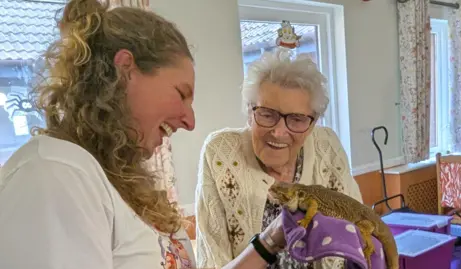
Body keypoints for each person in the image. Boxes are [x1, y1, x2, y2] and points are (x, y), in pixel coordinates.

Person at [0, 0, 286, 268]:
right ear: (125, 70)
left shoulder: (116, 177)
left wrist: (269, 242)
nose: (190, 121)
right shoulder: (55, 173)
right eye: (181, 93)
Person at [195, 48, 363, 269]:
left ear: (312, 123)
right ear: (249, 112)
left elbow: (357, 231)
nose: (279, 132)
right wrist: (267, 243)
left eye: (297, 119)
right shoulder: (220, 154)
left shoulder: (327, 145)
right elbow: (212, 263)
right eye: (267, 114)